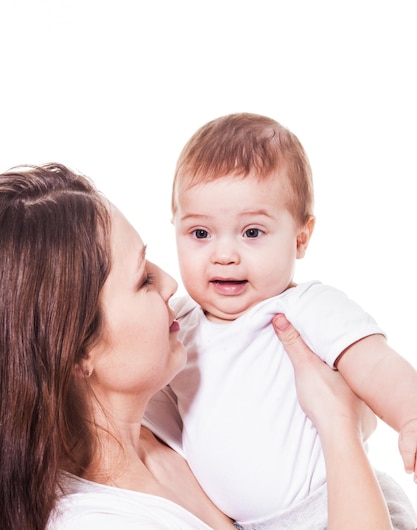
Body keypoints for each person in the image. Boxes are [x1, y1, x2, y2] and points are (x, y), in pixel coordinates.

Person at [0, 162, 399, 530]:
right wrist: (338, 427)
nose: (172, 284)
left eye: (151, 262)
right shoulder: (99, 521)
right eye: (143, 281)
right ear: (79, 352)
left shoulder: (164, 423)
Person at [144, 112, 417, 529]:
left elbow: (375, 363)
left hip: (335, 503)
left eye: (252, 232)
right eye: (200, 233)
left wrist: (410, 417)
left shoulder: (304, 308)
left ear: (301, 238)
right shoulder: (179, 322)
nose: (224, 254)